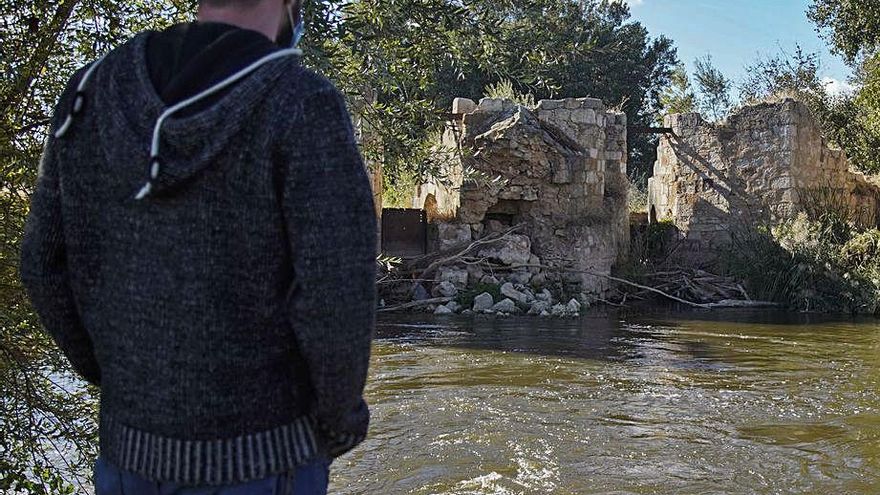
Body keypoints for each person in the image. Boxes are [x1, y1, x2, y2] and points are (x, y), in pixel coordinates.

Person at [18, 0, 378, 493]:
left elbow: (41, 265)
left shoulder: (88, 93)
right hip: (267, 461)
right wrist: (339, 421)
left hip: (129, 458)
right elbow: (336, 292)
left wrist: (123, 382)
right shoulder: (301, 103)